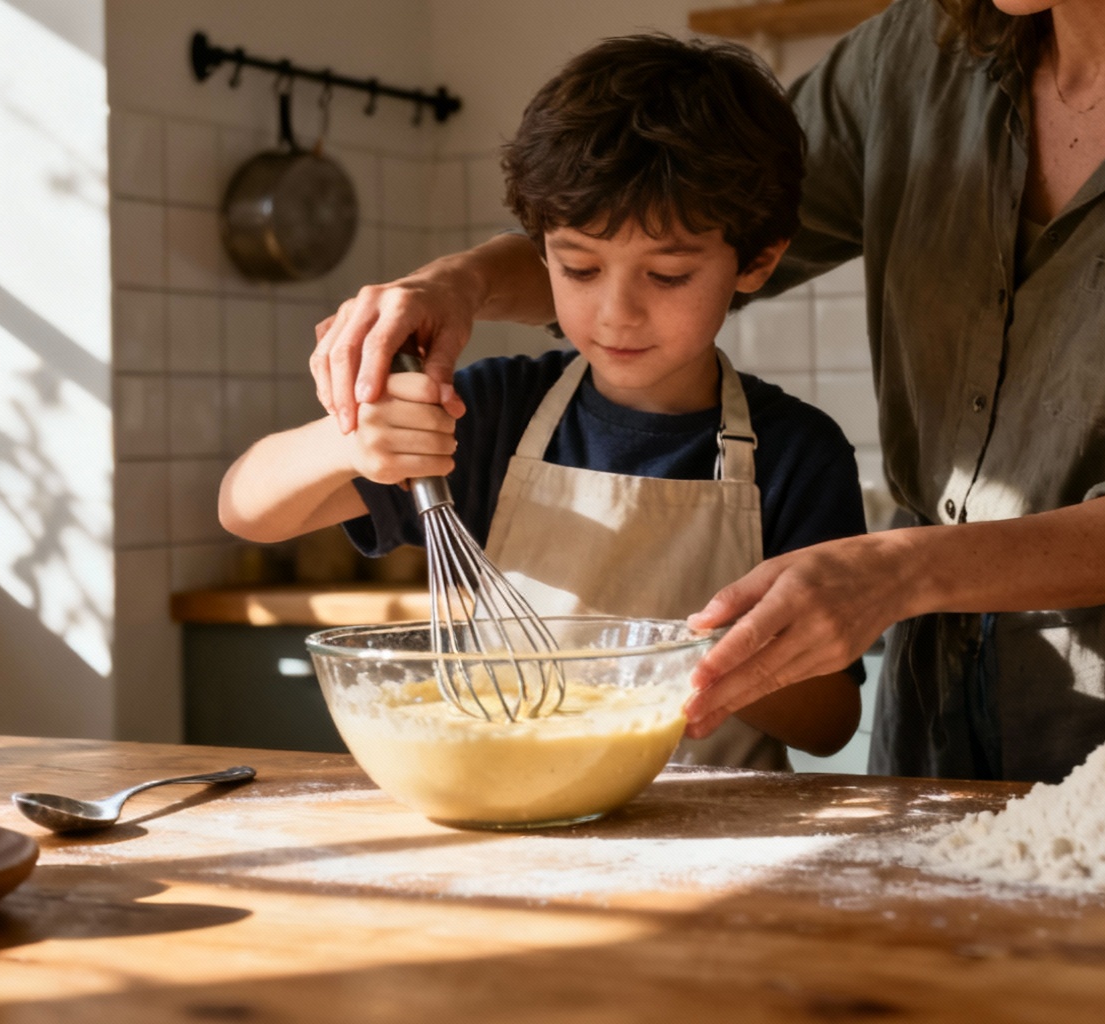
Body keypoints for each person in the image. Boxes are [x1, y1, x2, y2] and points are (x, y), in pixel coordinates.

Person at [305, 0, 1105, 789]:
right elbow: (681, 228)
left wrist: (894, 568)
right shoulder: (910, 59)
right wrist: (451, 284)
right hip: (936, 736)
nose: (611, 302)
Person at [221, 35, 867, 769]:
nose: (616, 313)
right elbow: (245, 507)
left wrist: (691, 654)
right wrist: (346, 443)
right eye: (580, 268)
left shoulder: (798, 454)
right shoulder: (497, 414)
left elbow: (830, 723)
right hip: (512, 810)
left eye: (668, 276)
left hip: (717, 838)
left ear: (756, 261)